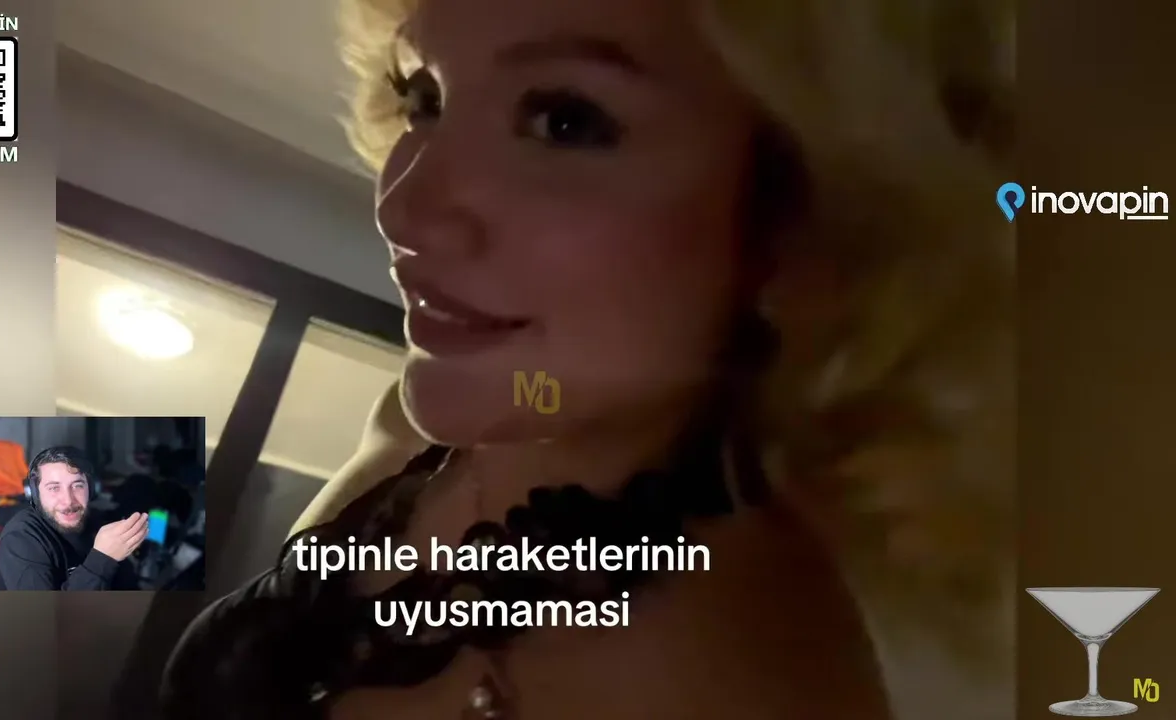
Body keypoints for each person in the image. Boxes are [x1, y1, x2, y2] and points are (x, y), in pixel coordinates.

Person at [162, 0, 1013, 718]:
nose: (403, 209)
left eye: (564, 120)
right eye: (425, 96)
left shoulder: (734, 667)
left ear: (799, 219)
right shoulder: (419, 431)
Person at [0, 446, 147, 591]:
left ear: (91, 489)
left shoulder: (97, 525)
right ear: (35, 494)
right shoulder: (20, 539)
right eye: (54, 488)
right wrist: (102, 559)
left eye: (77, 486)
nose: (68, 501)